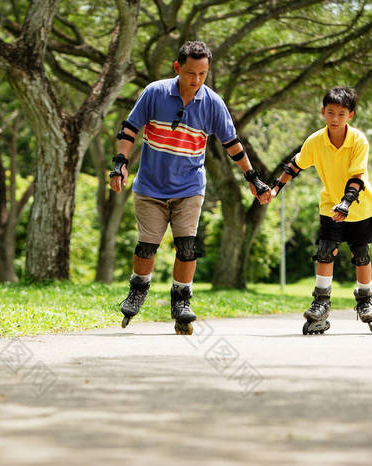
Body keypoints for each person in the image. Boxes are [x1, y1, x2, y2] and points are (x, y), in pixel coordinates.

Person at [109, 40, 272, 335]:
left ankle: (181, 300)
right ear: (177, 68)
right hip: (150, 188)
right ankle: (138, 288)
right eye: (190, 73)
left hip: (189, 187)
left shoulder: (212, 103)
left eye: (202, 74)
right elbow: (129, 129)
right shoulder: (155, 93)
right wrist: (120, 162)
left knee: (187, 246)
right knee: (147, 246)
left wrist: (253, 178)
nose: (196, 80)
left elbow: (232, 144)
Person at [271, 86, 372, 335]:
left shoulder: (358, 140)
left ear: (350, 115)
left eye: (341, 114)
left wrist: (347, 202)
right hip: (330, 206)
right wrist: (277, 187)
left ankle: (365, 299)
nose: (335, 118)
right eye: (330, 112)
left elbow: (356, 177)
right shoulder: (315, 141)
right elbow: (295, 165)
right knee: (325, 252)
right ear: (322, 112)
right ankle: (321, 302)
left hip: (361, 207)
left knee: (361, 253)